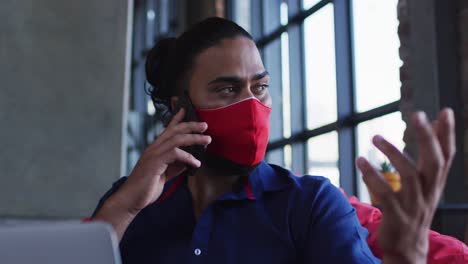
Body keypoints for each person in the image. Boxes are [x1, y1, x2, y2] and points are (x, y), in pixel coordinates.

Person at [89, 17, 457, 263]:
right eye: (227, 89)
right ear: (180, 106)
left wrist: (406, 257)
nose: (250, 105)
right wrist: (124, 207)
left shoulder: (310, 204)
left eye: (260, 87)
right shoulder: (132, 199)